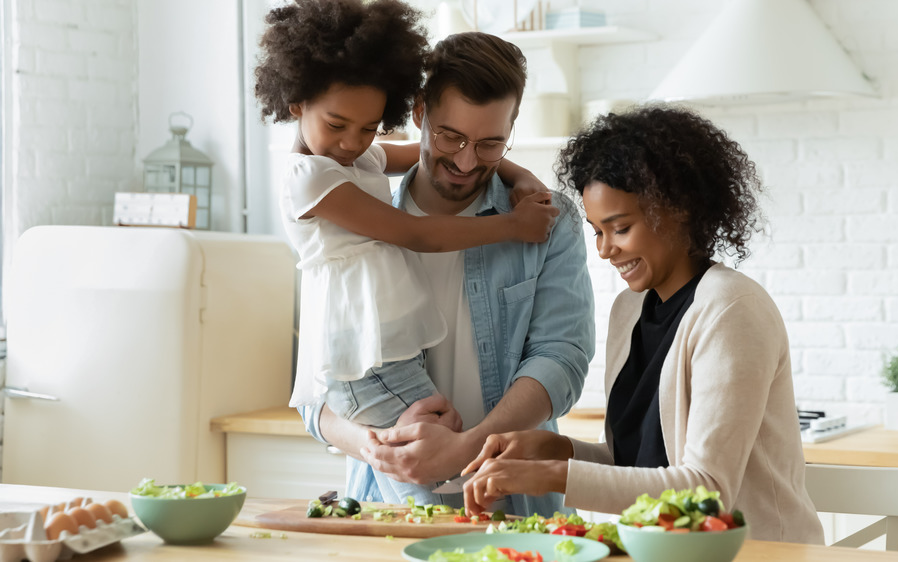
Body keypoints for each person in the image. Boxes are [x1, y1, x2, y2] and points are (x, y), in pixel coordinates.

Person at [459, 104, 826, 544]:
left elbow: (705, 490)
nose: (605, 250)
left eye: (620, 228)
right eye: (597, 230)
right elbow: (638, 464)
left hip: (757, 555)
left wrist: (555, 477)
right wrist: (553, 449)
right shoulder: (629, 311)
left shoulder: (731, 309)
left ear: (680, 210)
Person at [254, 0, 560, 505]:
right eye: (337, 125)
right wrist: (511, 225)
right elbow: (414, 233)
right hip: (365, 360)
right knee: (432, 488)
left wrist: (522, 176)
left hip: (388, 354)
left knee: (436, 476)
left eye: (368, 127)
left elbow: (430, 154)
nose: (352, 142)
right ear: (295, 103)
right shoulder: (309, 177)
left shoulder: (354, 157)